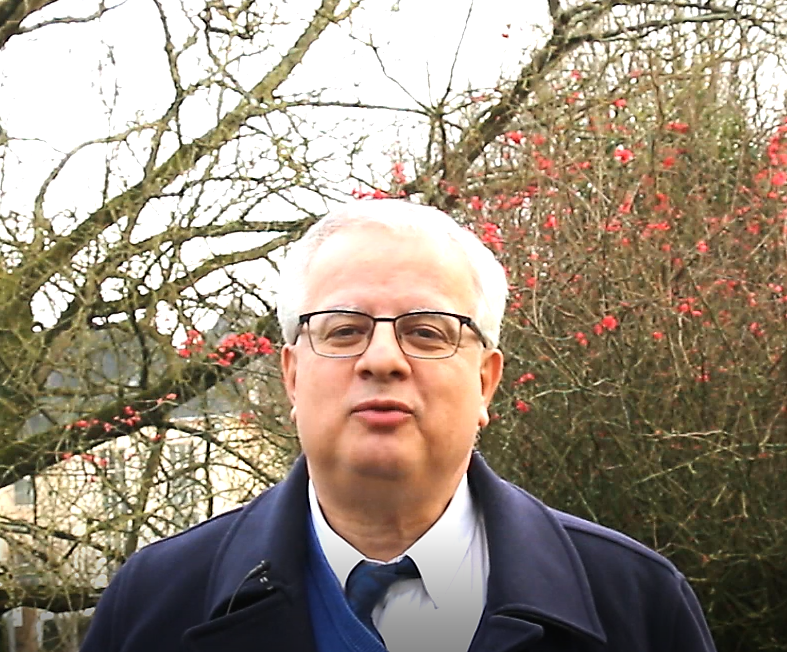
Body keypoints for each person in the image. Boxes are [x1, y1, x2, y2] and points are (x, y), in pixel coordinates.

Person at [80, 200, 717, 652]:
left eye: (427, 332)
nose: (382, 359)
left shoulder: (636, 605)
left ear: (486, 381)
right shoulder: (153, 607)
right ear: (292, 378)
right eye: (344, 330)